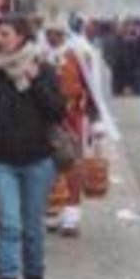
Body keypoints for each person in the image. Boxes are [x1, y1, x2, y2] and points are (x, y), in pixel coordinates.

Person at [0, 14, 65, 279]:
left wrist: (36, 80)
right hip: (1, 162)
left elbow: (57, 111)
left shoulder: (43, 68)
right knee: (9, 225)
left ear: (22, 36)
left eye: (5, 33)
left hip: (38, 160)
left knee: (32, 228)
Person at [39, 14, 106, 238]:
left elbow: (92, 86)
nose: (52, 36)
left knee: (72, 162)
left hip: (72, 115)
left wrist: (96, 119)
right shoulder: (38, 54)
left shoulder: (80, 53)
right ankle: (51, 207)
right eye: (48, 32)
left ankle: (72, 212)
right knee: (44, 163)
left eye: (56, 32)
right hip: (43, 116)